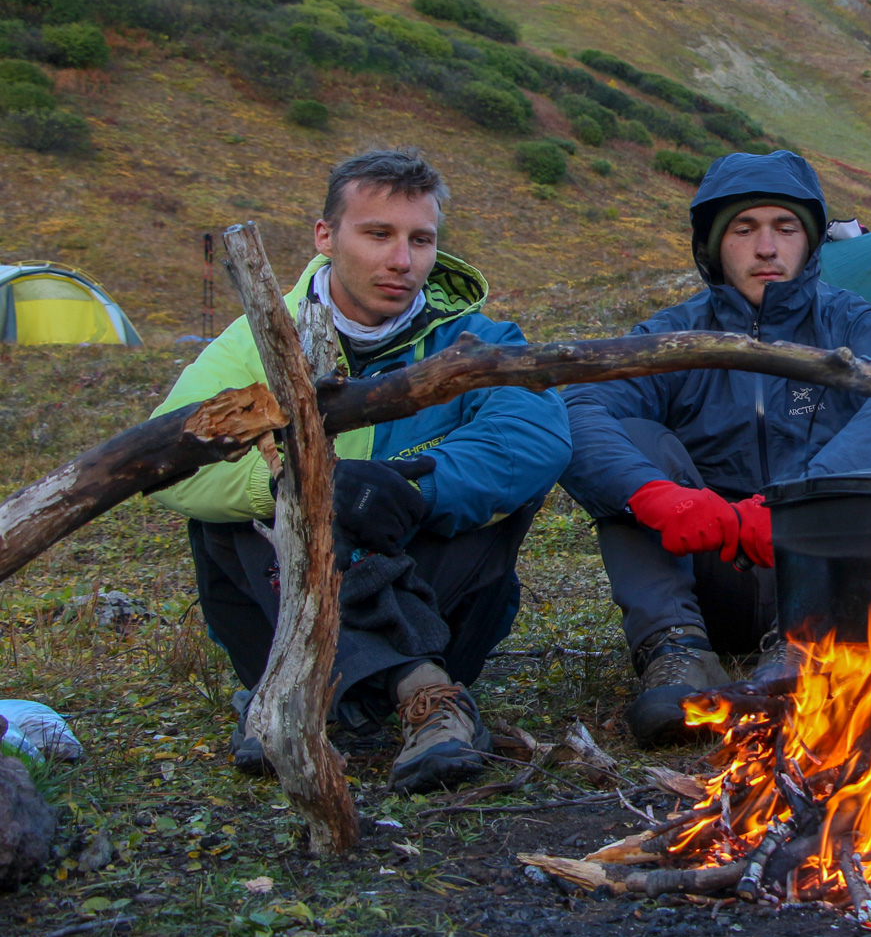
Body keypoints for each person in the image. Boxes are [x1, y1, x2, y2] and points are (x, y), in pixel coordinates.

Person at [150, 150, 572, 792]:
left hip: (439, 608)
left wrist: (411, 486)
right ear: (326, 236)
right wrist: (298, 486)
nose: (401, 261)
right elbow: (169, 460)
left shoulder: (478, 340)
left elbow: (535, 435)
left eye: (420, 239)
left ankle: (289, 702)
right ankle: (424, 693)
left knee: (485, 486)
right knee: (257, 492)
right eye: (378, 234)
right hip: (283, 608)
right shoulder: (252, 343)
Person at [561, 150, 871, 746]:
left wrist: (805, 504)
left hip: (819, 570)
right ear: (715, 246)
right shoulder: (672, 336)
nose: (766, 248)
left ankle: (803, 647)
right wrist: (657, 496)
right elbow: (583, 410)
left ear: (810, 241)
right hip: (709, 566)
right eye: (744, 229)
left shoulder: (854, 325)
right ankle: (677, 652)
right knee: (632, 440)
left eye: (785, 228)